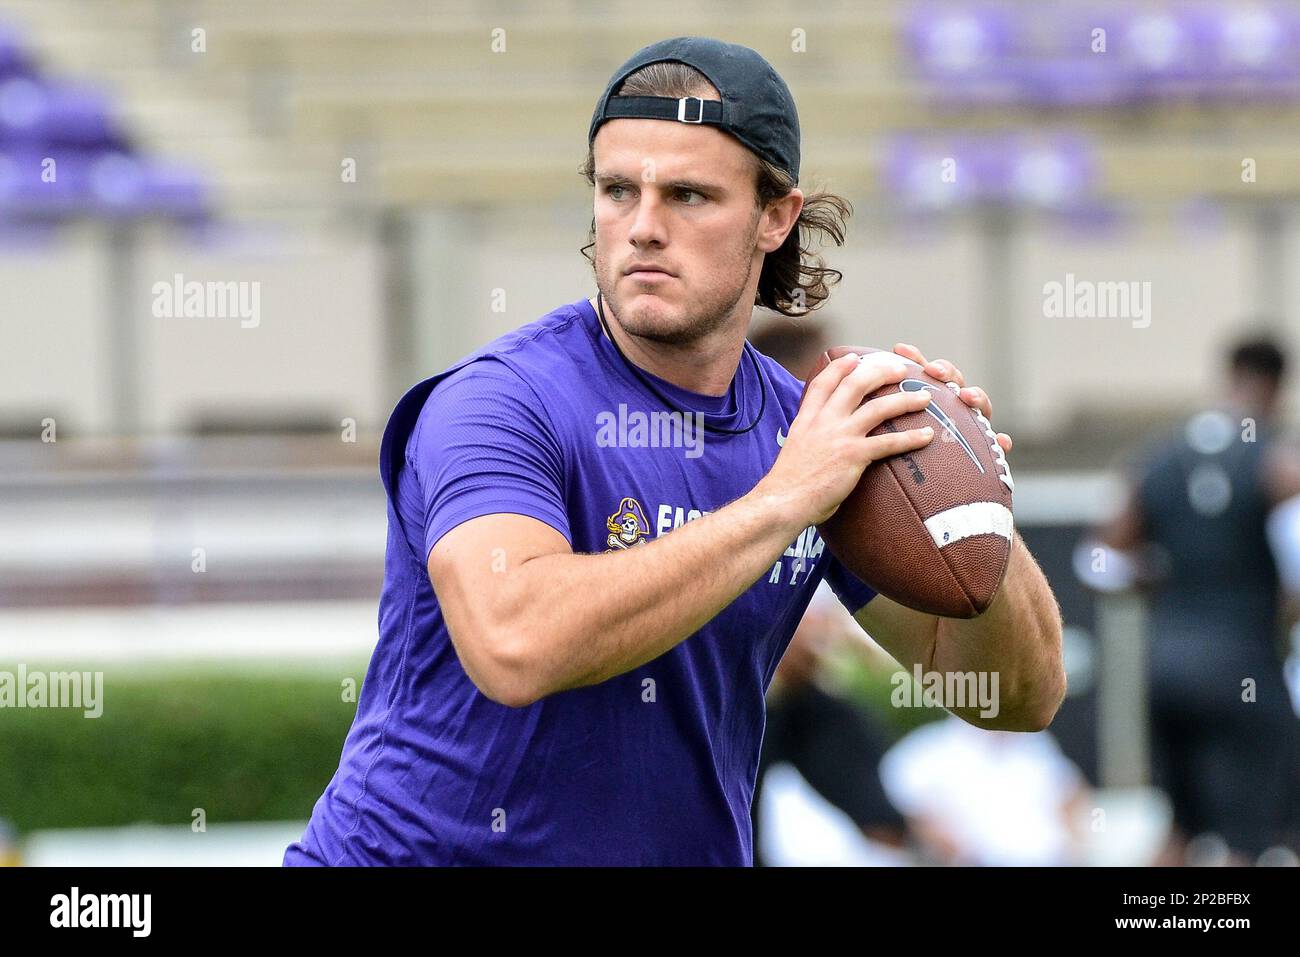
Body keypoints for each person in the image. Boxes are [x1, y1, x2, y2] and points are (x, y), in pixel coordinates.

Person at [285, 36, 1064, 867]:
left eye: (688, 195)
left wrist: (973, 509)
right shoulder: (496, 401)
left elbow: (1017, 694)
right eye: (619, 189)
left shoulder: (811, 433)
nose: (643, 228)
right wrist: (783, 500)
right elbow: (515, 642)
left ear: (776, 217)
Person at [1098, 334, 1300, 864]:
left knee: (1179, 829)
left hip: (1166, 669)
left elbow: (1099, 564)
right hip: (1246, 671)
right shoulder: (1277, 460)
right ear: (1277, 386)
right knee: (1248, 838)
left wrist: (1162, 582)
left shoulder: (1157, 456)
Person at [746, 318, 910, 865]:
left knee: (836, 722)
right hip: (728, 699)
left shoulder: (828, 473)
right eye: (815, 380)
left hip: (787, 702)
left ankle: (897, 834)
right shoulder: (745, 468)